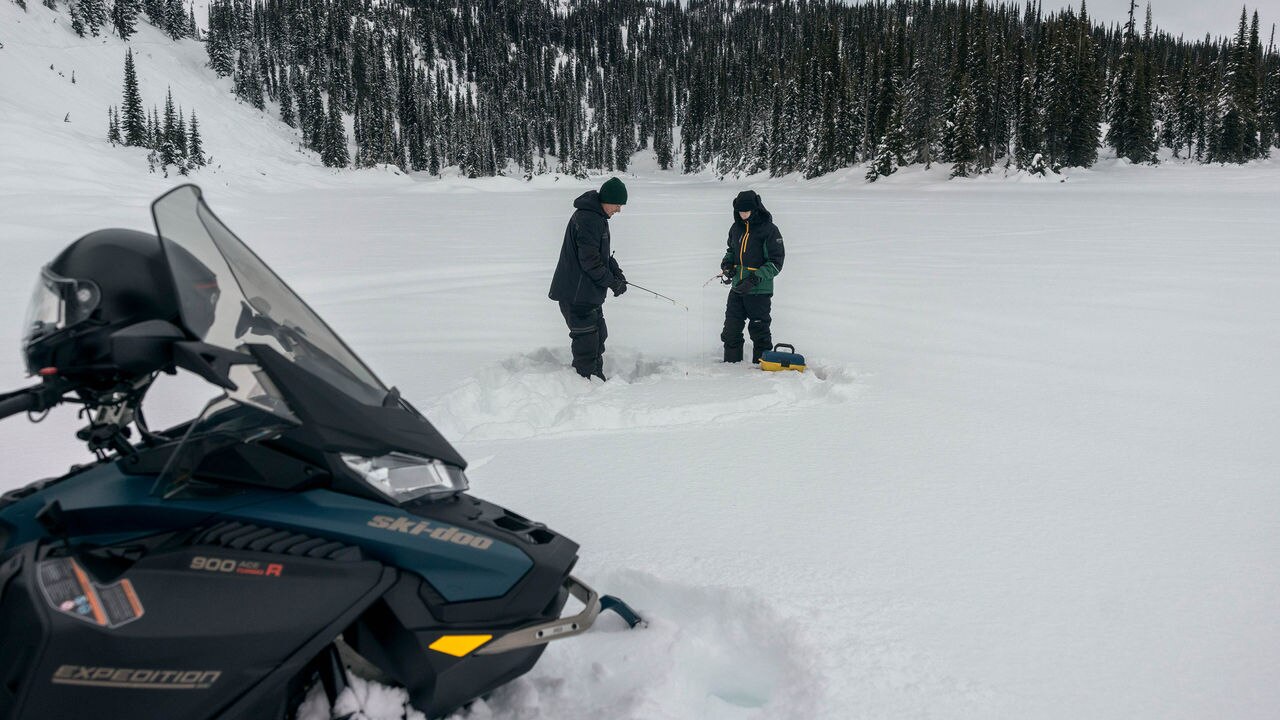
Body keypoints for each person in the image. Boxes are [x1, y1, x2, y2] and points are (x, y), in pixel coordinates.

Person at [548, 177, 629, 380]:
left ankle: (595, 377)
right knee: (587, 342)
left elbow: (599, 255)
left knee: (599, 335)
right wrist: (612, 282)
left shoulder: (597, 217)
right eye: (617, 205)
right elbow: (590, 262)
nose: (618, 210)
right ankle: (586, 384)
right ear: (607, 200)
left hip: (587, 293)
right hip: (576, 294)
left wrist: (615, 271)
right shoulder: (588, 219)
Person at [719, 190, 784, 363]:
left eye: (746, 211)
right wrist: (727, 266)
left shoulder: (769, 230)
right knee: (730, 331)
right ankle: (730, 367)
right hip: (737, 288)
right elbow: (731, 251)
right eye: (740, 211)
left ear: (755, 209)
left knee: (759, 332)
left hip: (759, 291)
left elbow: (776, 262)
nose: (743, 214)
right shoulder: (736, 228)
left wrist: (754, 278)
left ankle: (760, 372)